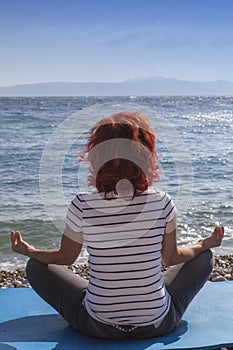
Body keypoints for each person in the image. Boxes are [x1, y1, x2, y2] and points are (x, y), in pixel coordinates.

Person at [11, 111, 224, 340]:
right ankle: (145, 299)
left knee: (35, 266)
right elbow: (171, 258)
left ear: (96, 156)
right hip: (157, 324)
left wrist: (29, 251)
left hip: (99, 327)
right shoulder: (162, 202)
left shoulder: (82, 204)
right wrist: (204, 244)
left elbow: (66, 258)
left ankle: (107, 301)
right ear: (146, 156)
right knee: (205, 257)